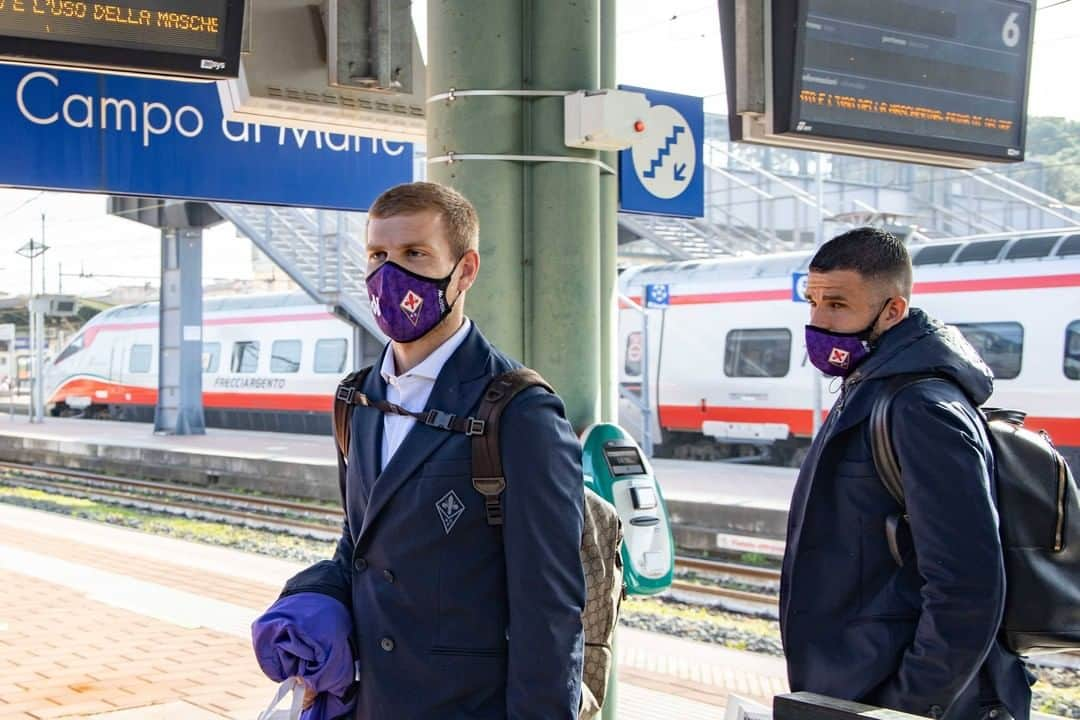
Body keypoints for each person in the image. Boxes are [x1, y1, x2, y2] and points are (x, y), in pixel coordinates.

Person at [279, 181, 586, 719]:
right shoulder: (357, 399)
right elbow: (361, 541)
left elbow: (550, 609)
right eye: (378, 255)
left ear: (464, 271)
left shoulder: (518, 412)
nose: (388, 275)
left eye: (415, 254)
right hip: (370, 702)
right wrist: (311, 599)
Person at [780, 228, 1033, 720]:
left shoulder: (920, 406)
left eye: (836, 304)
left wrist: (911, 705)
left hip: (904, 699)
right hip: (856, 685)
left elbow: (966, 581)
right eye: (811, 301)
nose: (817, 320)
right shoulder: (869, 387)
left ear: (892, 311)